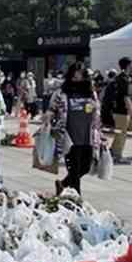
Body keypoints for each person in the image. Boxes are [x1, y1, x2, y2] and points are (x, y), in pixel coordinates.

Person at [46, 61, 103, 196]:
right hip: (69, 137)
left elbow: (97, 112)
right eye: (74, 77)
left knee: (85, 167)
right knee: (75, 170)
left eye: (80, 77)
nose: (76, 80)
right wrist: (47, 118)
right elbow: (52, 108)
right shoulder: (62, 92)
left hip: (88, 136)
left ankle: (63, 184)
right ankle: (77, 200)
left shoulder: (91, 93)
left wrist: (100, 133)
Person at [110, 57, 132, 164]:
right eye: (131, 65)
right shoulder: (124, 79)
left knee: (119, 134)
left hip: (117, 110)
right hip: (122, 111)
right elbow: (126, 97)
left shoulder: (118, 78)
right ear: (128, 66)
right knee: (122, 134)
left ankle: (112, 152)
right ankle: (118, 156)